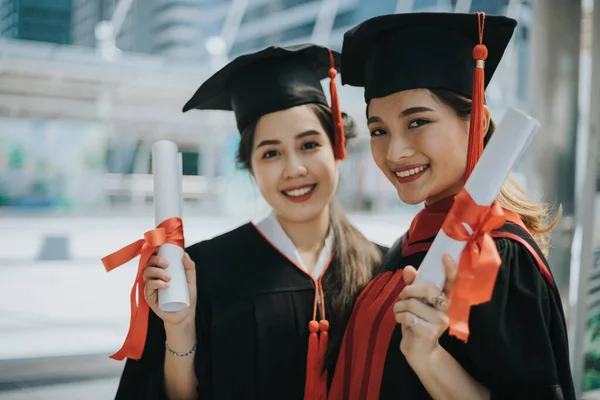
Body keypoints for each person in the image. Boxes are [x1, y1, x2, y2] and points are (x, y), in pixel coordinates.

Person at [109, 44, 386, 400]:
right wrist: (179, 327)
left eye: (309, 145)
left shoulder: (382, 269)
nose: (294, 169)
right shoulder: (201, 272)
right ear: (251, 168)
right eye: (271, 153)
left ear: (337, 148)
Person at [327, 12, 576, 400]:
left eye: (417, 122)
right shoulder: (407, 246)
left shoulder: (494, 255)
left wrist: (428, 358)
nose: (394, 152)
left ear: (476, 123)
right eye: (379, 131)